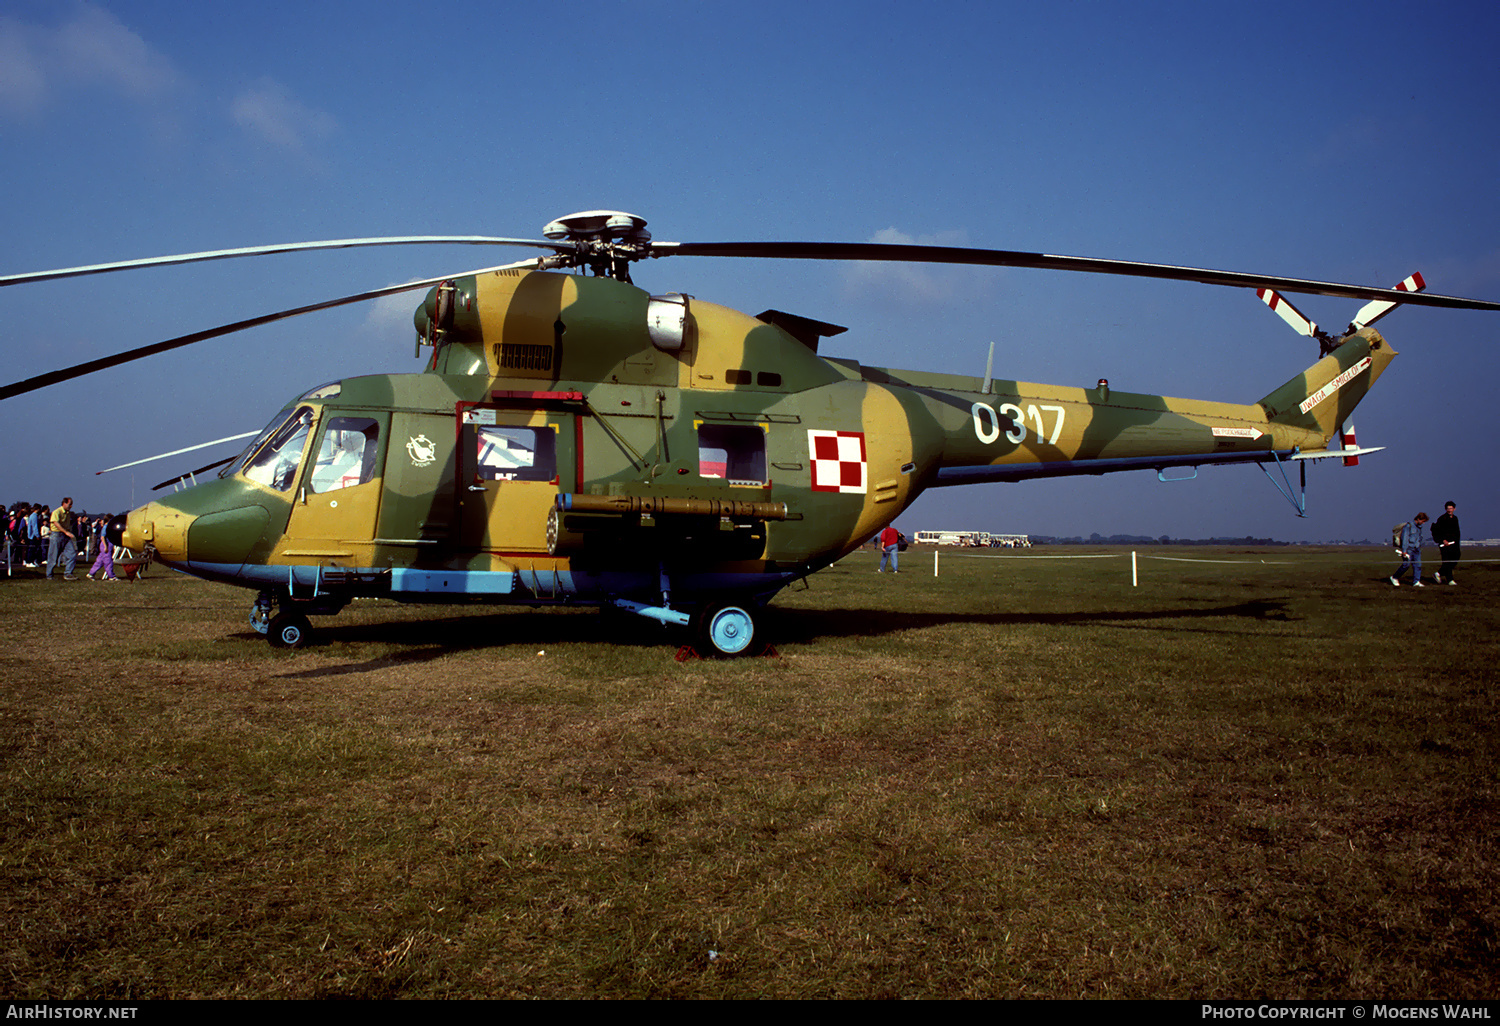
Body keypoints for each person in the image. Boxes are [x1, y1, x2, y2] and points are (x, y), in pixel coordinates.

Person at [1389, 512, 1429, 588]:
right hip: (1408, 549)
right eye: (1422, 521)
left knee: (1418, 565)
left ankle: (1416, 582)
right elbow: (1405, 538)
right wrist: (1404, 550)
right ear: (1418, 519)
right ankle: (1394, 577)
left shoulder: (1419, 527)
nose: (1423, 523)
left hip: (1416, 549)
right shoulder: (1408, 526)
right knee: (1406, 565)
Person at [46, 496, 78, 581]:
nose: (71, 506)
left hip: (65, 536)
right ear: (64, 503)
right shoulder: (56, 512)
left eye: (71, 505)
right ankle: (49, 575)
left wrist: (69, 532)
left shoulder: (68, 513)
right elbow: (56, 523)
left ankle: (68, 573)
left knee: (72, 553)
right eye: (69, 504)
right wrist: (66, 532)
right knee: (53, 556)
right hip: (56, 535)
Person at [1432, 501, 1460, 585]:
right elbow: (1436, 531)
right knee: (1447, 561)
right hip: (1444, 544)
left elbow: (1457, 531)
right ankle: (1450, 579)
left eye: (1451, 508)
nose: (1449, 510)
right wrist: (1443, 540)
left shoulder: (1455, 518)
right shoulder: (1442, 519)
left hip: (1454, 544)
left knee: (1455, 558)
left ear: (1454, 509)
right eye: (1448, 508)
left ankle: (1438, 573)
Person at [86, 516, 118, 581]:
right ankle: (111, 576)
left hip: (108, 545)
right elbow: (102, 537)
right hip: (106, 545)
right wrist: (106, 546)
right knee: (108, 561)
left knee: (100, 561)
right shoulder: (105, 528)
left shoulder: (108, 527)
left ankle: (91, 573)